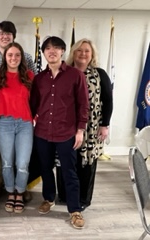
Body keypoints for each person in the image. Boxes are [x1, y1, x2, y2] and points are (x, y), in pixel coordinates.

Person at [30, 36, 89, 229]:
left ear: (63, 51)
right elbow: (34, 105)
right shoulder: (39, 79)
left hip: (67, 132)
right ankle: (49, 198)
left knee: (69, 171)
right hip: (43, 132)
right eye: (48, 48)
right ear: (44, 53)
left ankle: (75, 210)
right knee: (46, 169)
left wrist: (80, 130)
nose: (52, 51)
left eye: (56, 48)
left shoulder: (75, 75)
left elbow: (83, 105)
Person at [0, 20, 36, 200]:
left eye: (17, 55)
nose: (13, 58)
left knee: (22, 163)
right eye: (10, 55)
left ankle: (20, 192)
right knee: (6, 163)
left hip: (25, 123)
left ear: (21, 57)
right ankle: (10, 191)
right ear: (5, 57)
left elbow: (37, 98)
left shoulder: (30, 76)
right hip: (3, 123)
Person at [65, 38, 113, 210]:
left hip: (91, 127)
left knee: (86, 163)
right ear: (73, 53)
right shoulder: (65, 72)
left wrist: (104, 125)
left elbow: (107, 100)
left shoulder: (100, 74)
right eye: (79, 50)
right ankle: (64, 195)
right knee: (66, 160)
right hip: (67, 125)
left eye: (87, 50)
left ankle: (83, 199)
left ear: (91, 54)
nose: (83, 53)